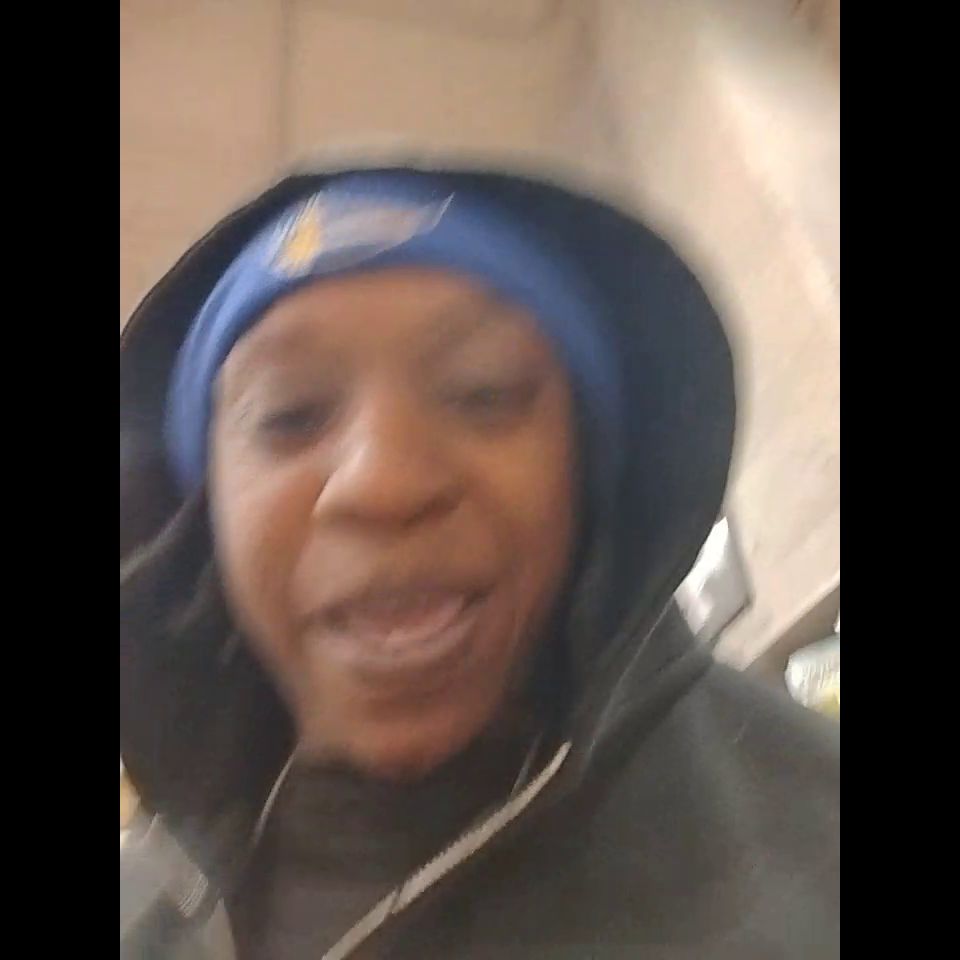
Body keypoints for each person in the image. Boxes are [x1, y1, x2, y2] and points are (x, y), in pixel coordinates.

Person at [120, 166, 840, 959]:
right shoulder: (143, 906)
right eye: (290, 415)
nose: (383, 481)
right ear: (205, 515)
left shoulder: (816, 844)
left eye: (483, 393)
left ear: (587, 472)